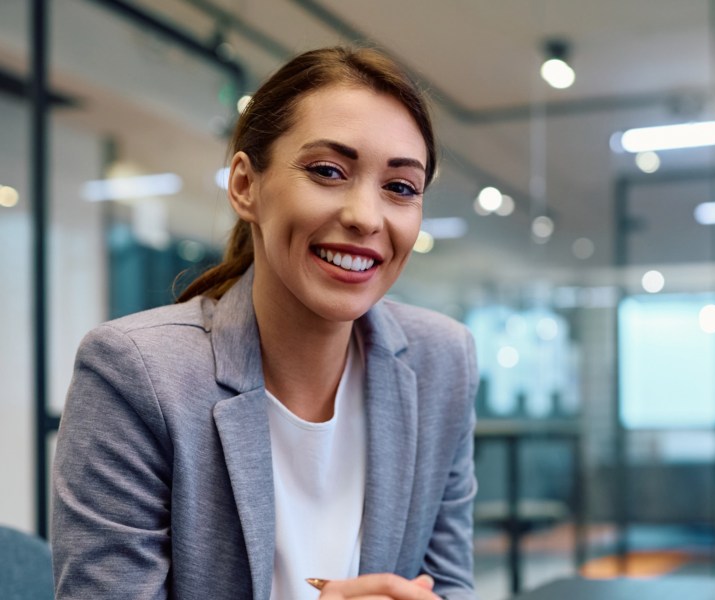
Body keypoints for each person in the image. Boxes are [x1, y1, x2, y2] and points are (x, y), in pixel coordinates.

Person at [51, 46, 478, 600]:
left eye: (400, 187)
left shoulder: (441, 360)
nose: (365, 217)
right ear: (245, 186)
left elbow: (448, 588)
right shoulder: (137, 374)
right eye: (328, 171)